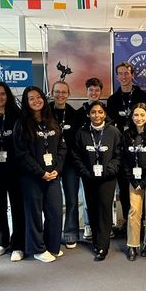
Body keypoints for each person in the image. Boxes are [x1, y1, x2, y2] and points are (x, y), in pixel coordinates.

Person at [14, 86, 66, 263]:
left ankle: (53, 245)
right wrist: (40, 172)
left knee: (56, 211)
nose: (36, 101)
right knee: (34, 214)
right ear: (26, 103)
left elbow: (61, 147)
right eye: (31, 98)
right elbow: (22, 154)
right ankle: (37, 248)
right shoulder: (21, 124)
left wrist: (57, 169)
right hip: (32, 177)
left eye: (39, 97)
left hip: (53, 175)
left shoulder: (52, 121)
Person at [73, 101, 122, 261]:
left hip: (107, 178)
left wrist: (109, 171)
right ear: (88, 115)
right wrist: (85, 172)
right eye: (93, 112)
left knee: (104, 210)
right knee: (92, 209)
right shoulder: (82, 132)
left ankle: (103, 246)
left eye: (100, 112)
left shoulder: (113, 132)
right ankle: (96, 241)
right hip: (89, 178)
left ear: (105, 114)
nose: (97, 115)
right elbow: (76, 155)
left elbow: (118, 154)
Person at [0, 81, 25, 262]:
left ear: (7, 96)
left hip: (15, 169)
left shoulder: (17, 116)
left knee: (18, 207)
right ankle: (2, 241)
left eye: (3, 93)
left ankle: (18, 245)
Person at [107, 62, 146, 234]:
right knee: (125, 188)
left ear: (132, 75)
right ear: (117, 76)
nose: (123, 76)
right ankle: (127, 221)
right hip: (121, 150)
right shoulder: (112, 100)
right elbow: (109, 125)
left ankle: (145, 222)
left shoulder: (142, 96)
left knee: (143, 188)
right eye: (120, 74)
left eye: (127, 73)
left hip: (140, 148)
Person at [122, 103, 146, 261]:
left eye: (142, 115)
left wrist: (144, 182)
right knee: (134, 213)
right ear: (132, 117)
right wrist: (133, 180)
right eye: (136, 115)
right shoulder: (127, 135)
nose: (139, 118)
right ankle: (132, 245)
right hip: (134, 180)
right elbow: (124, 160)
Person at [49, 80, 83, 249]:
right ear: (51, 92)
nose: (60, 95)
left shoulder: (75, 114)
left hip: (69, 163)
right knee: (51, 201)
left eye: (63, 92)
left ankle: (70, 234)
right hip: (49, 164)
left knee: (71, 199)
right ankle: (51, 234)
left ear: (68, 94)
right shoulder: (44, 112)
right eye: (57, 92)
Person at [76, 77, 104, 240]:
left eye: (97, 90)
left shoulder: (104, 112)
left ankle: (103, 225)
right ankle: (88, 225)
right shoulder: (79, 114)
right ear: (86, 92)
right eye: (91, 90)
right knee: (87, 198)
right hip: (87, 164)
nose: (94, 93)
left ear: (101, 92)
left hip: (103, 163)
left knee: (104, 198)